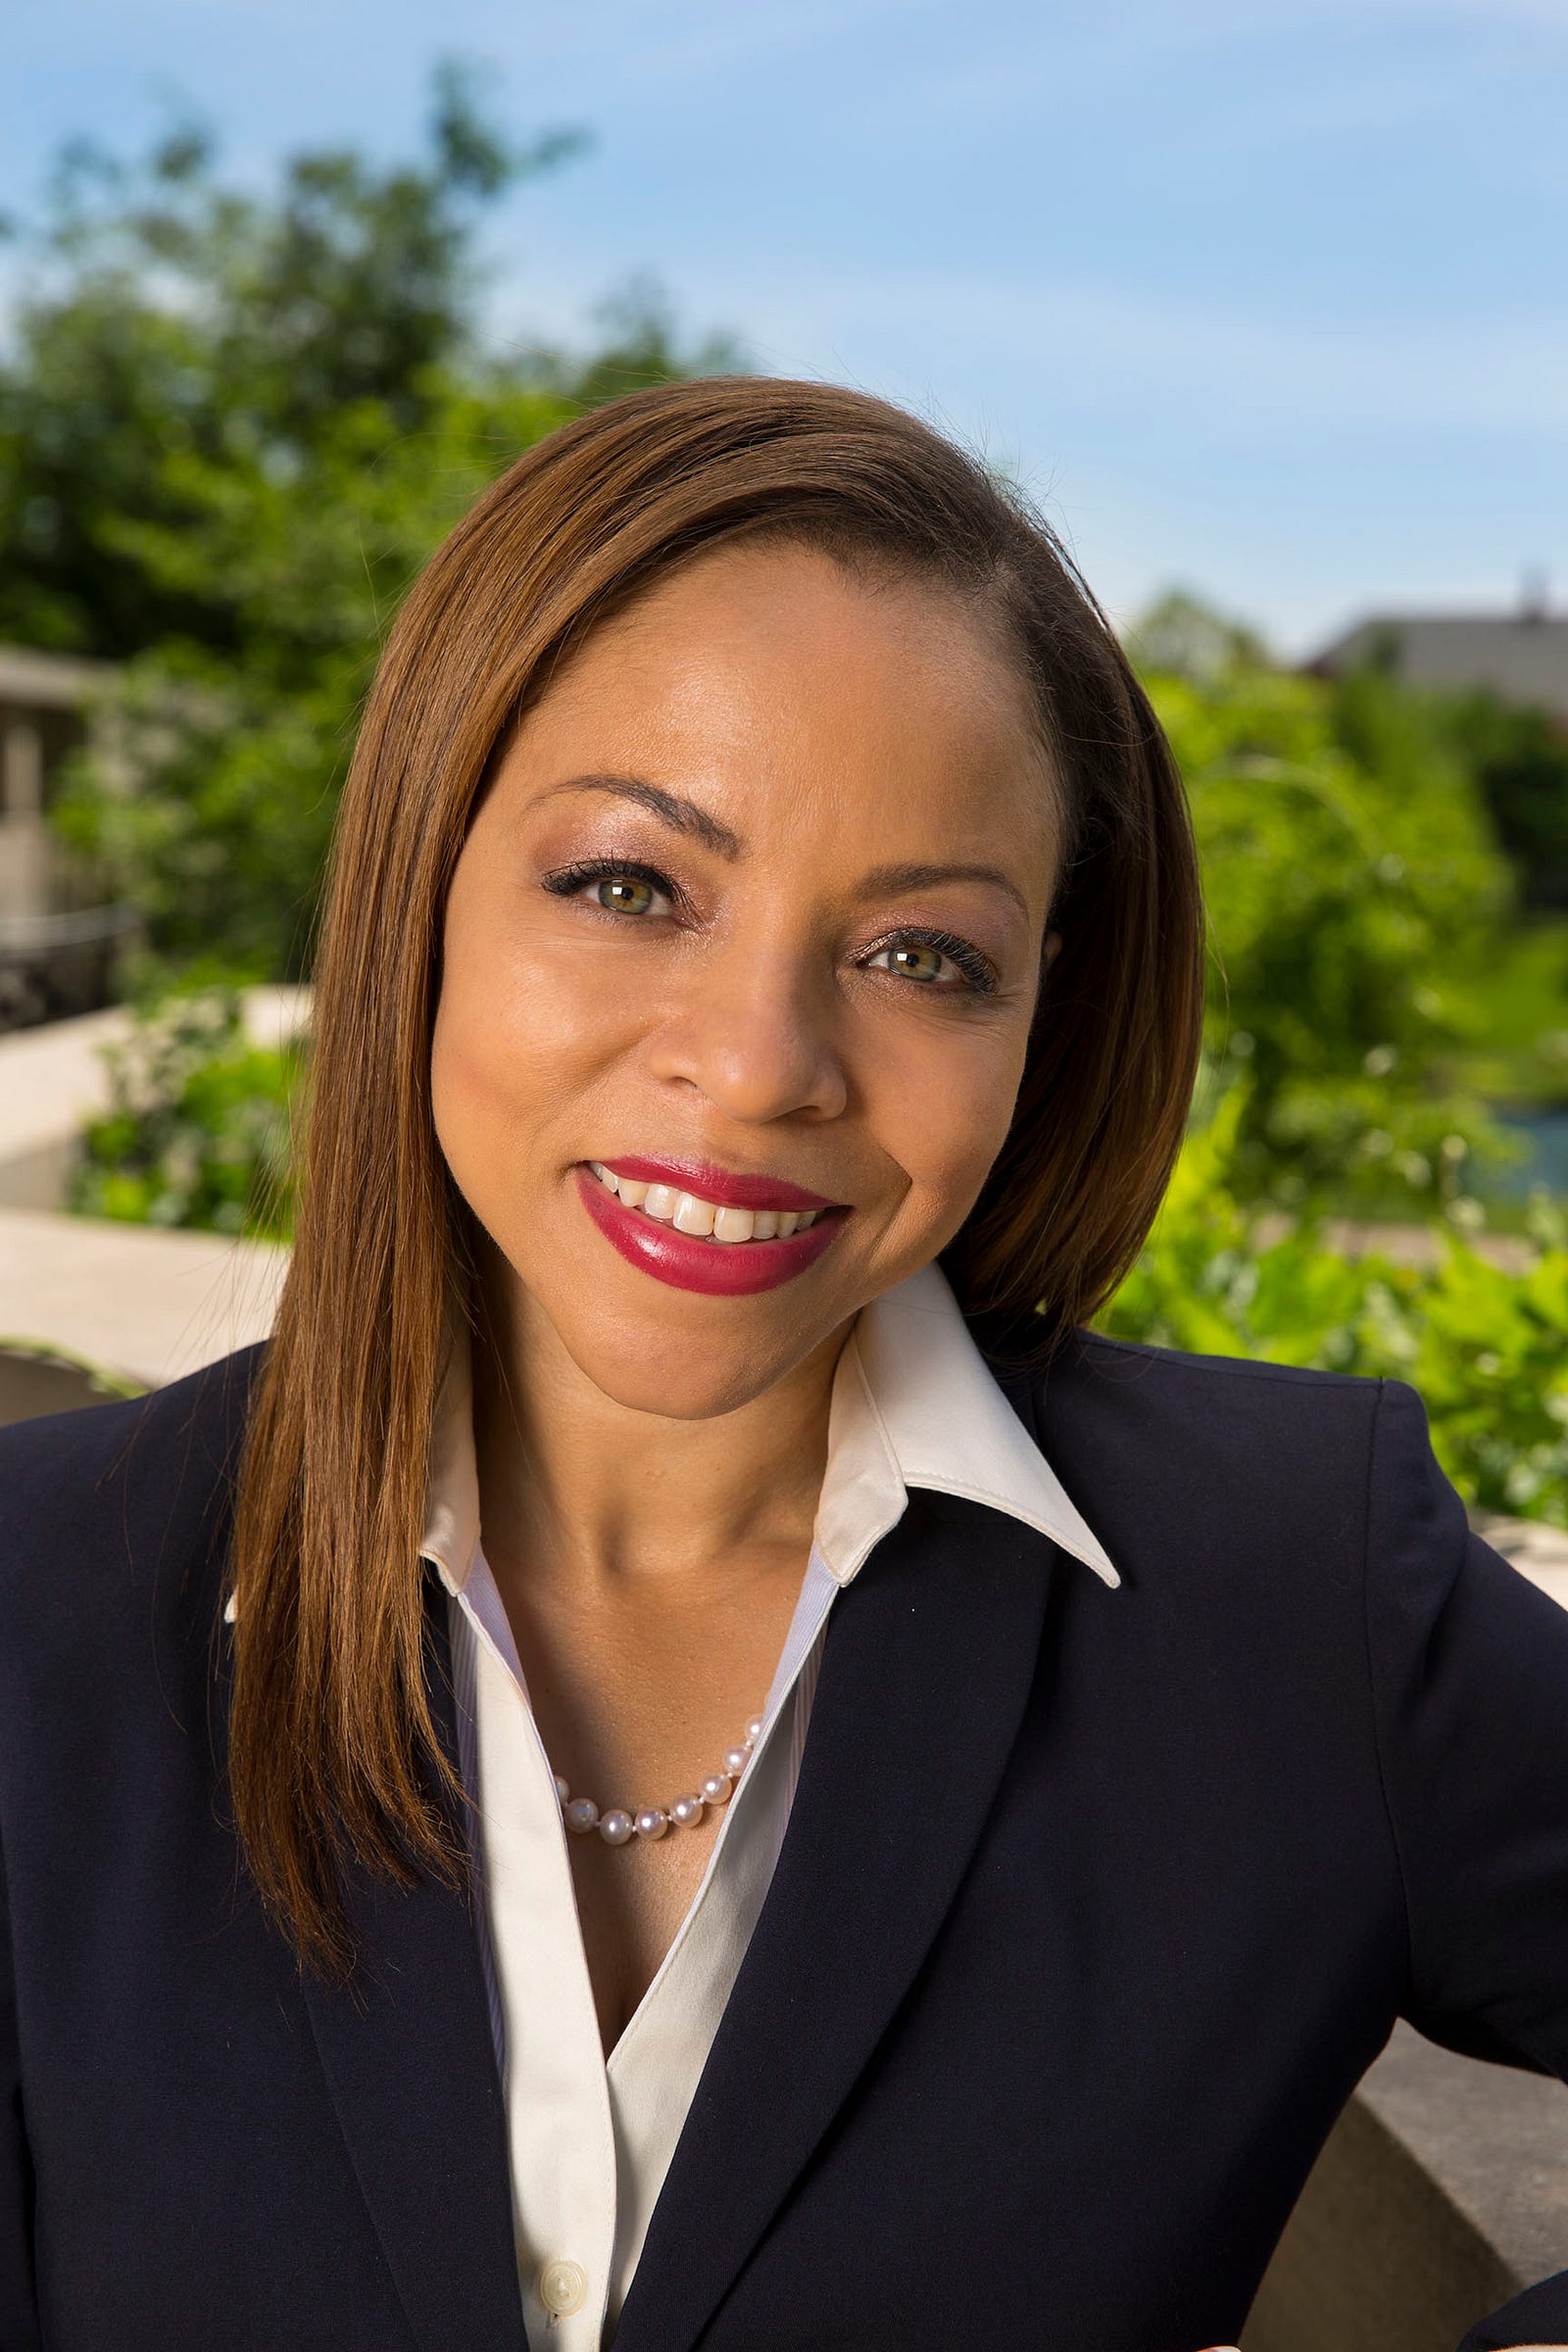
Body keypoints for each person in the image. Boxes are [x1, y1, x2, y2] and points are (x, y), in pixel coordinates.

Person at [2, 376, 1566, 2352]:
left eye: (921, 956)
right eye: (629, 885)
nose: (756, 1069)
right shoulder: (29, 1605)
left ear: (1040, 1013)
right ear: (423, 885)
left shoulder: (1295, 1591)